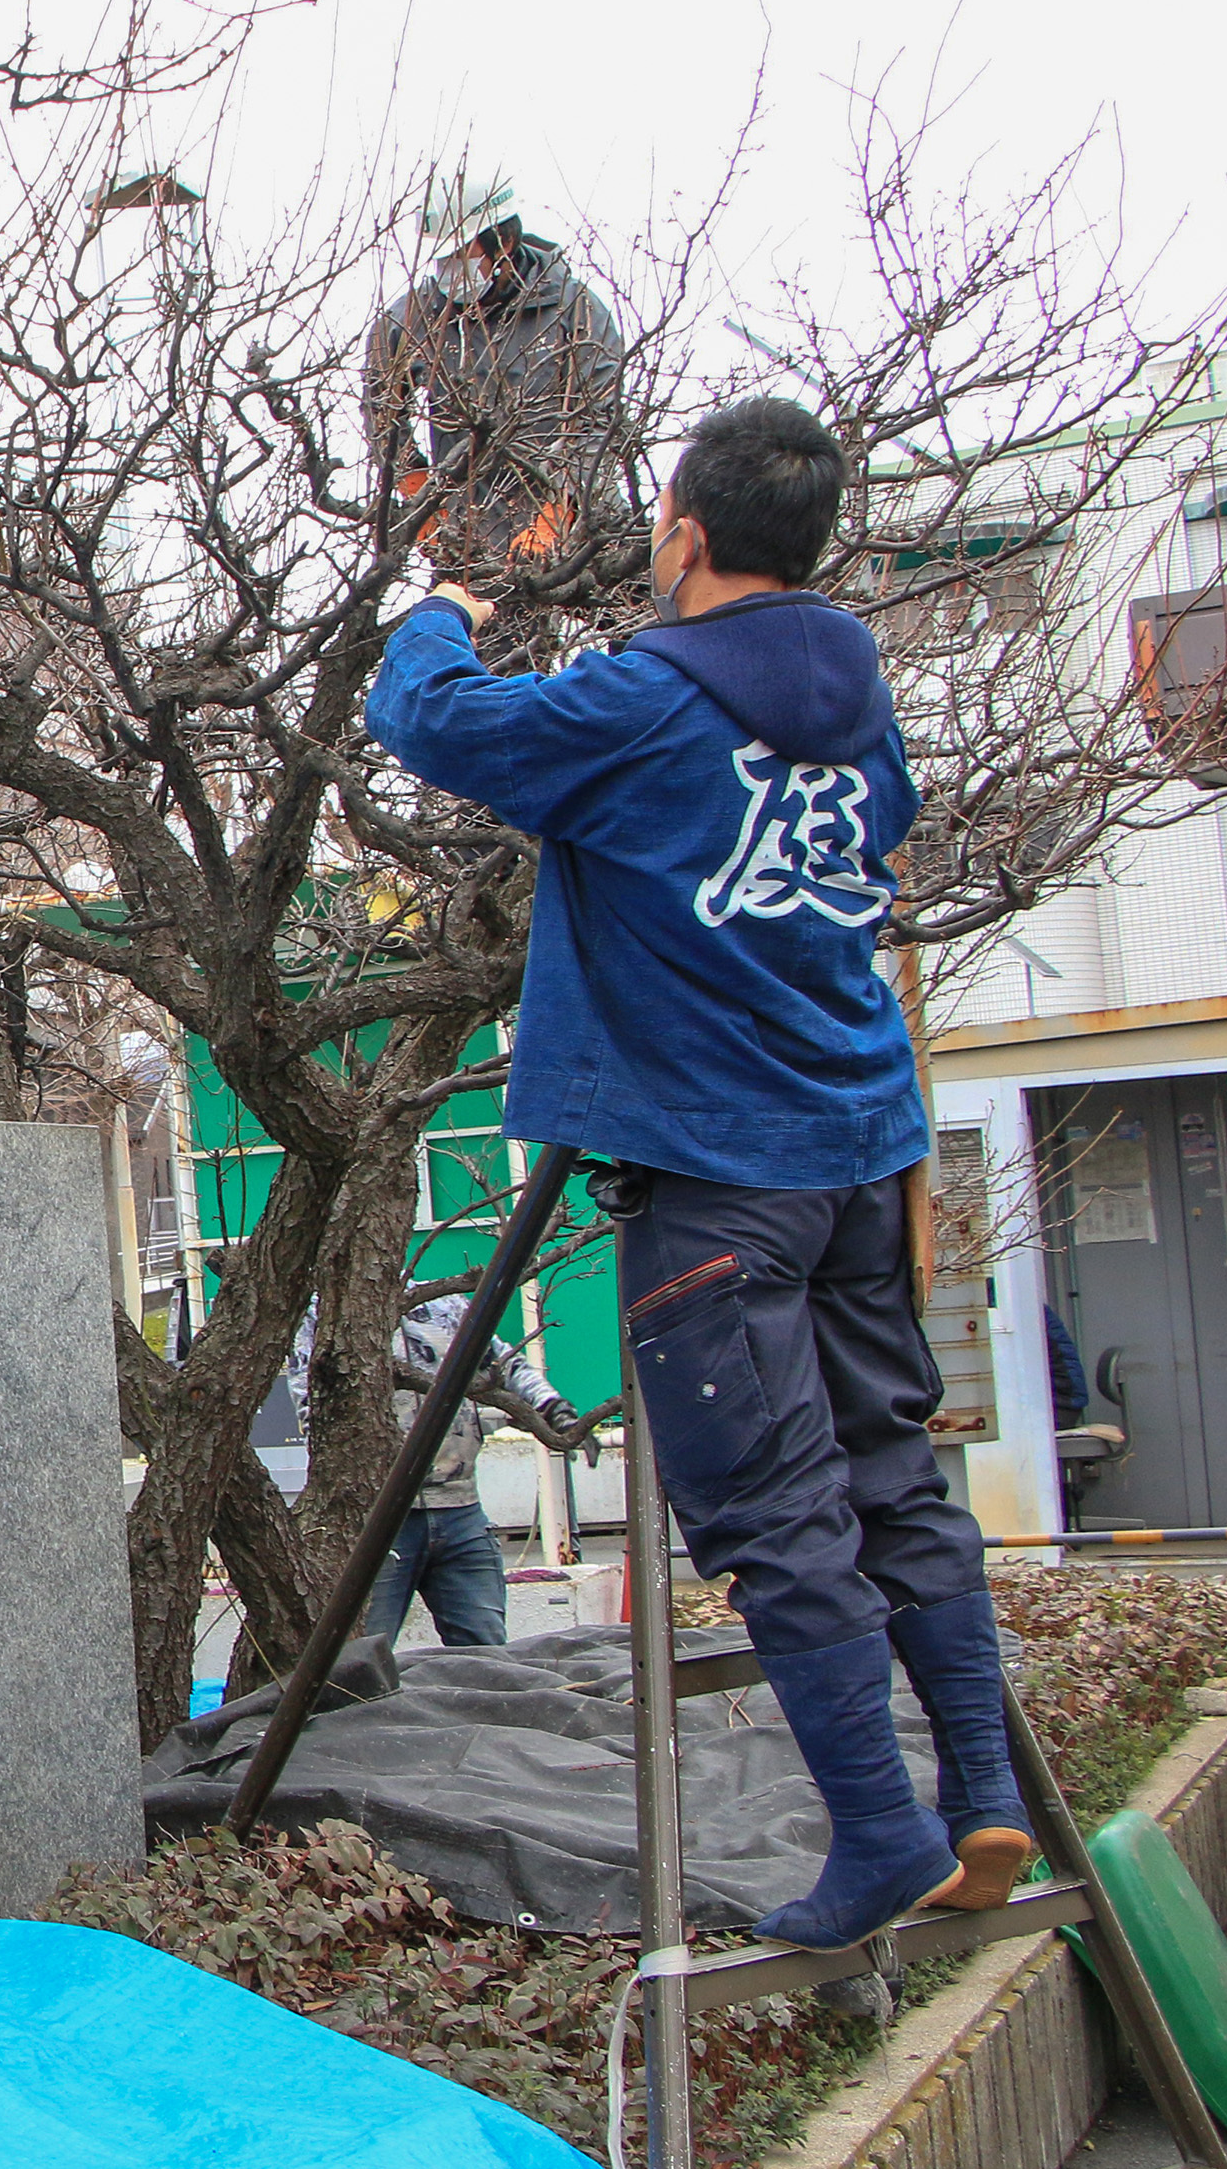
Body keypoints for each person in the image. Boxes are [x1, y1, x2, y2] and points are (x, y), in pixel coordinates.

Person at [367, 394, 1026, 1953]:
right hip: (859, 1148)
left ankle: (878, 1831)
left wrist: (437, 619)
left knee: (778, 1515)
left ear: (683, 533)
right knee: (893, 1478)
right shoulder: (861, 703)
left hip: (716, 1176)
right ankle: (983, 1791)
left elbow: (444, 729)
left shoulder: (647, 699)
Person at [364, 167, 629, 591]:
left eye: (461, 255)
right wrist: (417, 493)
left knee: (626, 632)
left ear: (504, 241)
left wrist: (561, 508)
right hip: (471, 539)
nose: (450, 269)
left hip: (580, 527)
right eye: (442, 258)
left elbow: (601, 418)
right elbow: (382, 410)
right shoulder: (414, 318)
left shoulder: (573, 311)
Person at [287, 1293, 562, 1650]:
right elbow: (308, 1400)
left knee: (486, 1650)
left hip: (461, 1509)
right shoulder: (323, 1314)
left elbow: (505, 1364)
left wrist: (550, 1405)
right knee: (362, 1654)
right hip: (376, 1518)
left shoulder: (446, 1306)